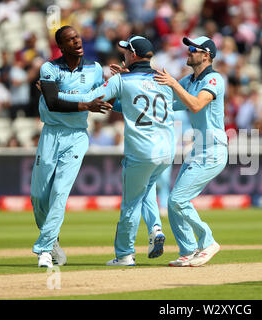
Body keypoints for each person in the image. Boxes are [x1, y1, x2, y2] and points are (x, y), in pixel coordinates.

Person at [57, 35, 175, 266]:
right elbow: (133, 103)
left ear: (133, 55)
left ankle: (124, 255)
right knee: (146, 190)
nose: (123, 54)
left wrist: (55, 94)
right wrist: (120, 84)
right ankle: (155, 229)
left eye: (126, 51)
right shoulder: (165, 80)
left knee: (130, 203)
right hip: (167, 151)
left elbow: (91, 98)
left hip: (141, 151)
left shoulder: (122, 80)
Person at [31, 26, 111, 268]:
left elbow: (105, 97)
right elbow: (54, 103)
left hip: (77, 136)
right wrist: (85, 104)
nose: (77, 41)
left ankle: (44, 249)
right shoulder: (49, 68)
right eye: (70, 40)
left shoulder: (95, 69)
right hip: (51, 134)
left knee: (59, 193)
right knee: (38, 196)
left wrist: (121, 79)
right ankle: (52, 238)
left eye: (77, 37)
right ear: (62, 46)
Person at [155, 36, 227, 267]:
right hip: (198, 149)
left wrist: (175, 84)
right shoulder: (190, 79)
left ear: (206, 55)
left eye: (193, 49)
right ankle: (188, 250)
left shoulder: (215, 79)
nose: (188, 51)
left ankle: (208, 243)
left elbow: (195, 104)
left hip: (214, 149)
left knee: (176, 199)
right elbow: (168, 101)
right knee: (175, 202)